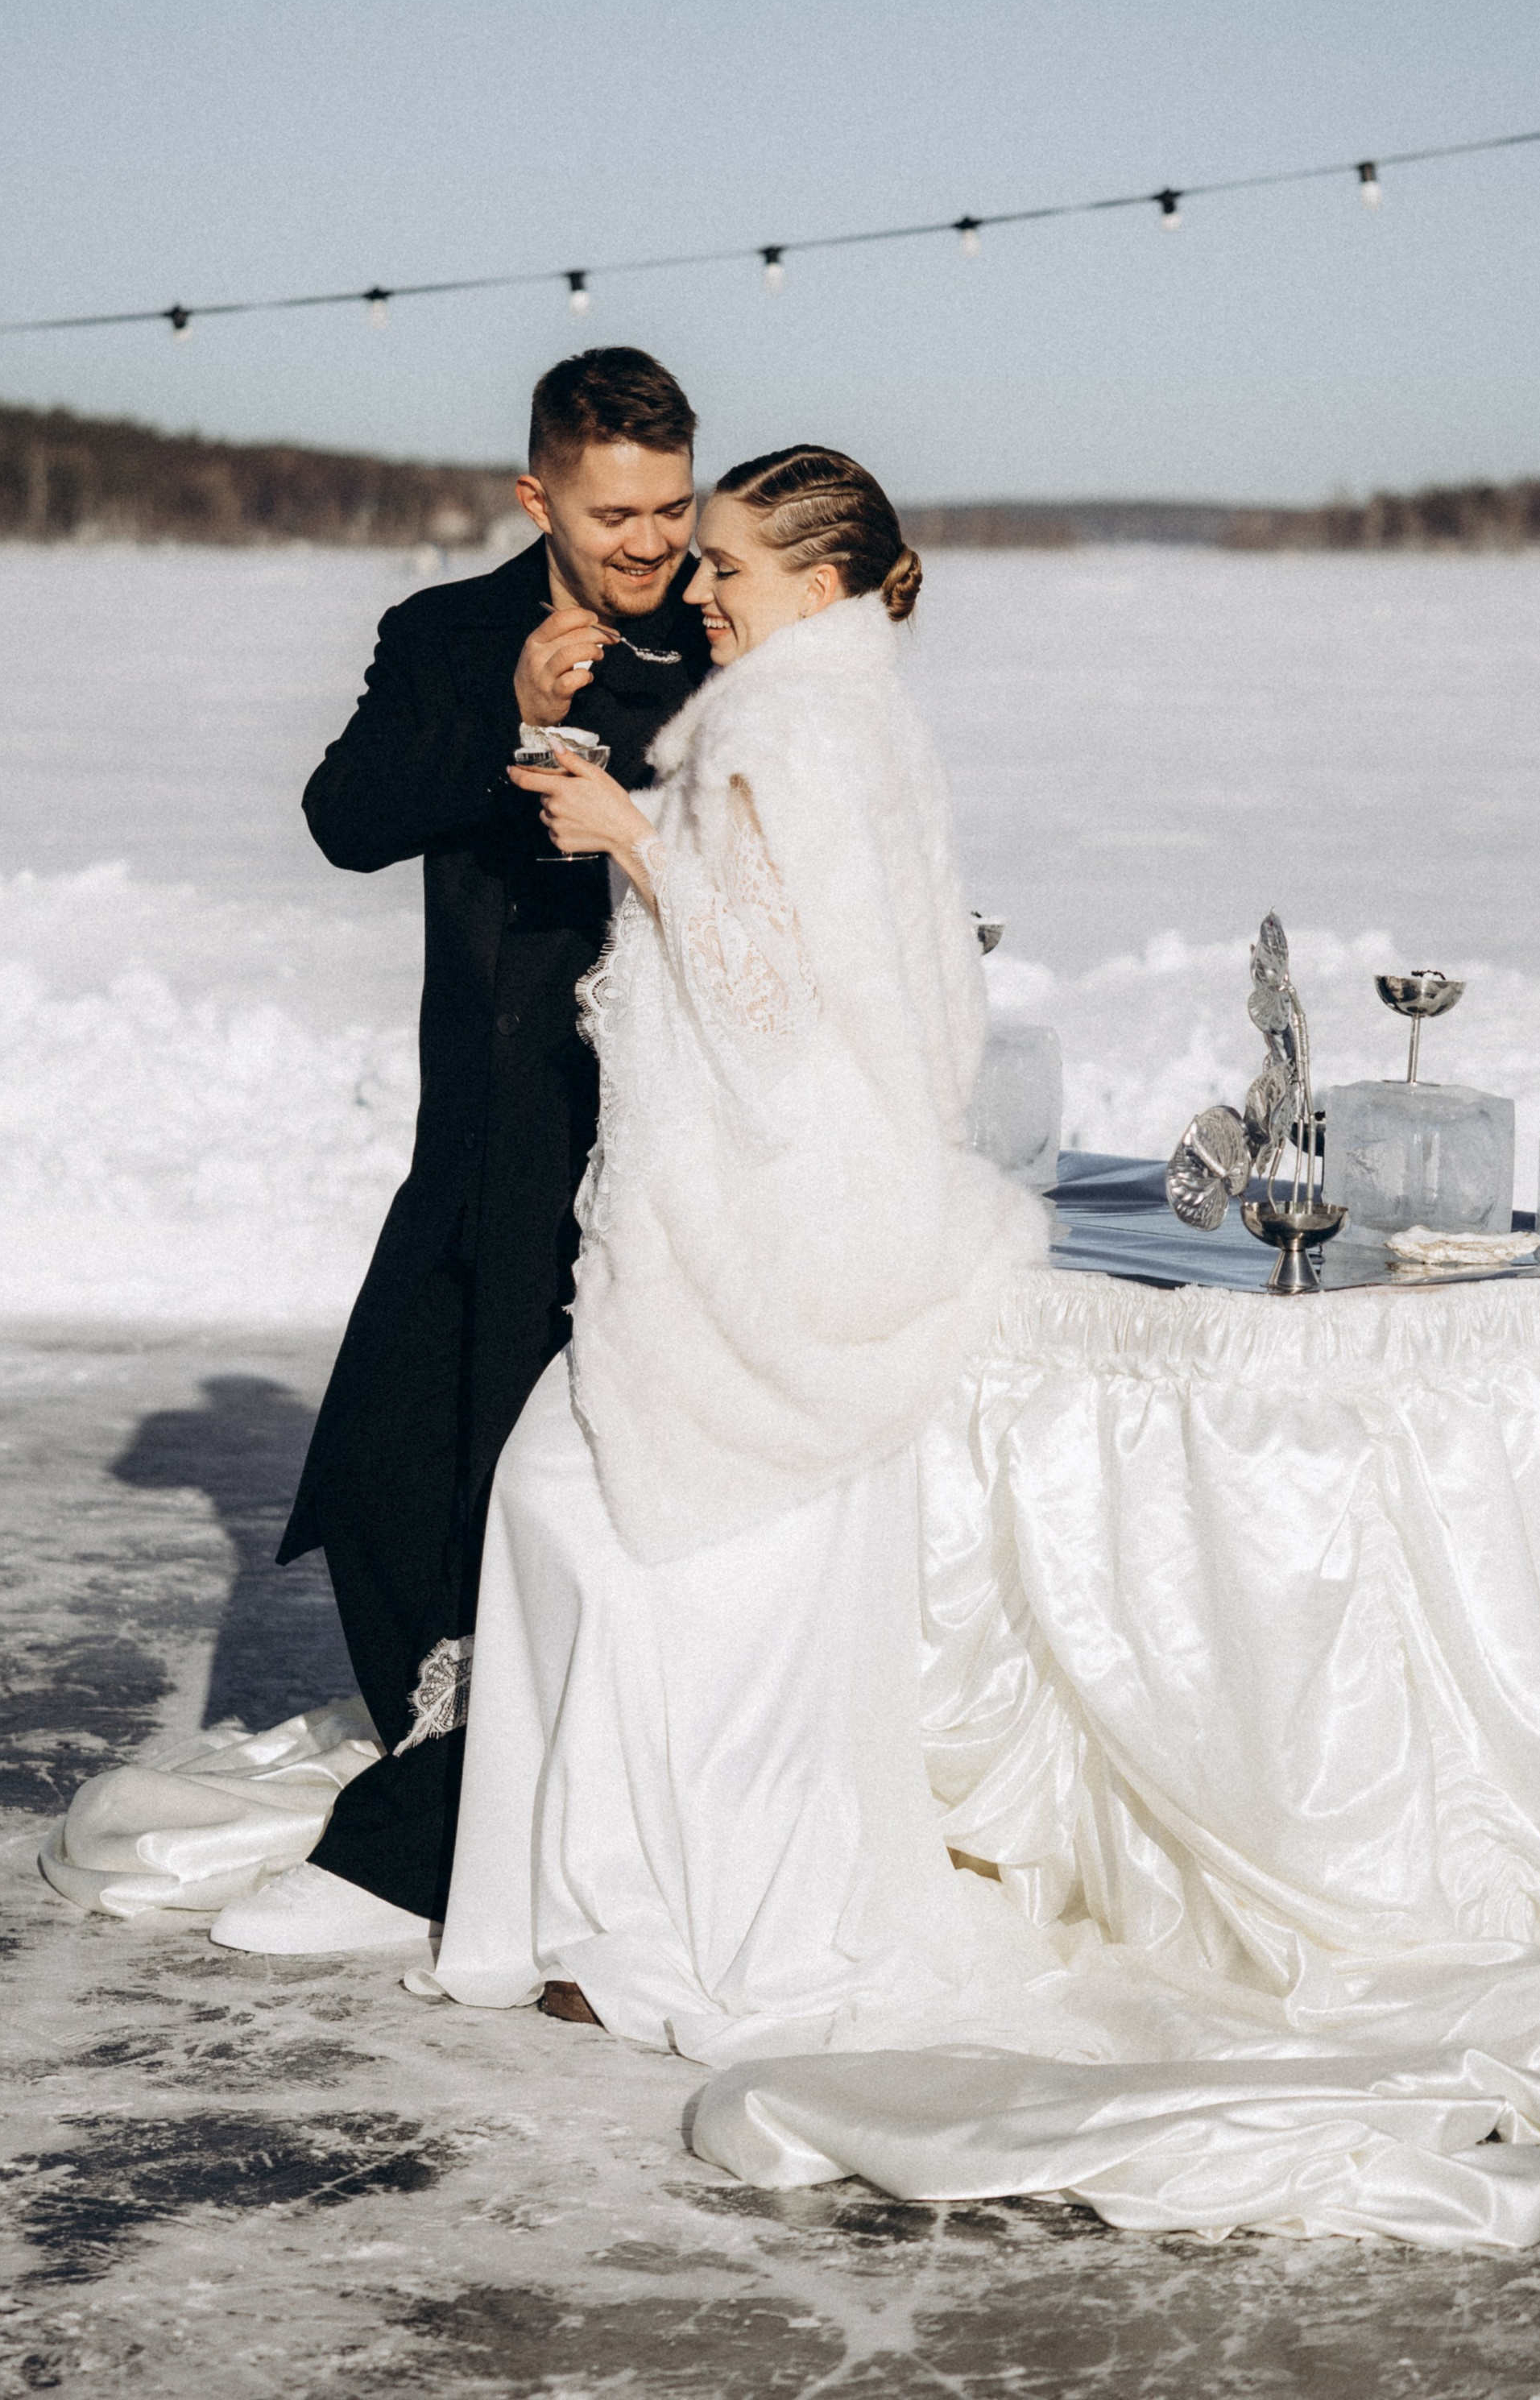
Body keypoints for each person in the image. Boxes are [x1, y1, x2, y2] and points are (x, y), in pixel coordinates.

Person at [430, 444, 1051, 2041]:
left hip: (753, 1217)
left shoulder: (787, 725)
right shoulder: (849, 710)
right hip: (805, 1204)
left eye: (726, 568)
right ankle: (639, 1901)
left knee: (627, 1532)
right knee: (674, 1544)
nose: (696, 589)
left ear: (819, 581)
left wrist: (629, 836)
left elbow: (770, 1009)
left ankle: (642, 1920)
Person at [211, 347, 710, 1955]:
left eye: (671, 505)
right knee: (381, 1462)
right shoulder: (443, 635)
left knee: (548, 1472)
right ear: (536, 497)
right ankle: (451, 1752)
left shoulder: (724, 634)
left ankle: (470, 1827)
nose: (653, 541)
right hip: (484, 1120)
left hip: (663, 1125)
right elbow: (345, 819)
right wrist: (511, 718)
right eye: (615, 514)